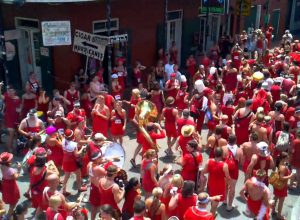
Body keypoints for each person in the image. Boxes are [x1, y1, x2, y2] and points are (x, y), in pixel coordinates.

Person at [202, 147, 231, 215]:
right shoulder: (224, 165)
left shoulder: (209, 161)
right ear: (222, 154)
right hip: (219, 186)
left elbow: (204, 171)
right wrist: (229, 183)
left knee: (212, 198)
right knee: (215, 204)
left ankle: (212, 211)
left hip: (211, 184)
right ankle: (212, 215)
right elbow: (227, 177)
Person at [61, 129, 87, 196]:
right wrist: (82, 148)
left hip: (65, 161)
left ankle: (64, 191)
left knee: (66, 176)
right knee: (78, 175)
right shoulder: (74, 144)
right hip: (72, 162)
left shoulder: (63, 141)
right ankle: (79, 188)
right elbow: (77, 154)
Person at [222, 135, 243, 211]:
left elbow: (220, 159)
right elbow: (241, 163)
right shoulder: (239, 150)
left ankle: (224, 200)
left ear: (228, 140)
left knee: (225, 185)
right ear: (235, 141)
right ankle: (229, 206)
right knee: (232, 188)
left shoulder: (223, 148)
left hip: (225, 169)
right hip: (234, 171)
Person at [272, 152, 294, 220]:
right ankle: (279, 215)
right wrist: (290, 176)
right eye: (287, 157)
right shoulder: (283, 167)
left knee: (275, 198)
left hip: (278, 185)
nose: (288, 158)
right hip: (281, 186)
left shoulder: (281, 164)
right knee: (281, 201)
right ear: (283, 158)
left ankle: (273, 210)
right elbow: (281, 177)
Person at [87, 151, 107, 220]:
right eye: (100, 157)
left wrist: (104, 161)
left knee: (94, 208)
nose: (102, 158)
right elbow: (108, 174)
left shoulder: (89, 164)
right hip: (98, 189)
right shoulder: (99, 169)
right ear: (97, 159)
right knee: (102, 206)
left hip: (93, 186)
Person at [0, 152, 21, 217]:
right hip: (11, 185)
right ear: (8, 161)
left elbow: (7, 168)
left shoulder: (2, 166)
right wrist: (19, 169)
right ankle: (8, 215)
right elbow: (16, 177)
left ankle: (9, 212)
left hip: (5, 183)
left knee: (9, 198)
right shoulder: (11, 171)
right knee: (14, 202)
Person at [3, 85, 21, 151]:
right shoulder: (7, 97)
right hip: (8, 118)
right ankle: (9, 148)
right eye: (9, 91)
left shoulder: (18, 98)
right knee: (11, 133)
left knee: (15, 134)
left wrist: (19, 110)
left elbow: (19, 107)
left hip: (15, 118)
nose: (10, 92)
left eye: (12, 91)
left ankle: (11, 147)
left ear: (14, 91)